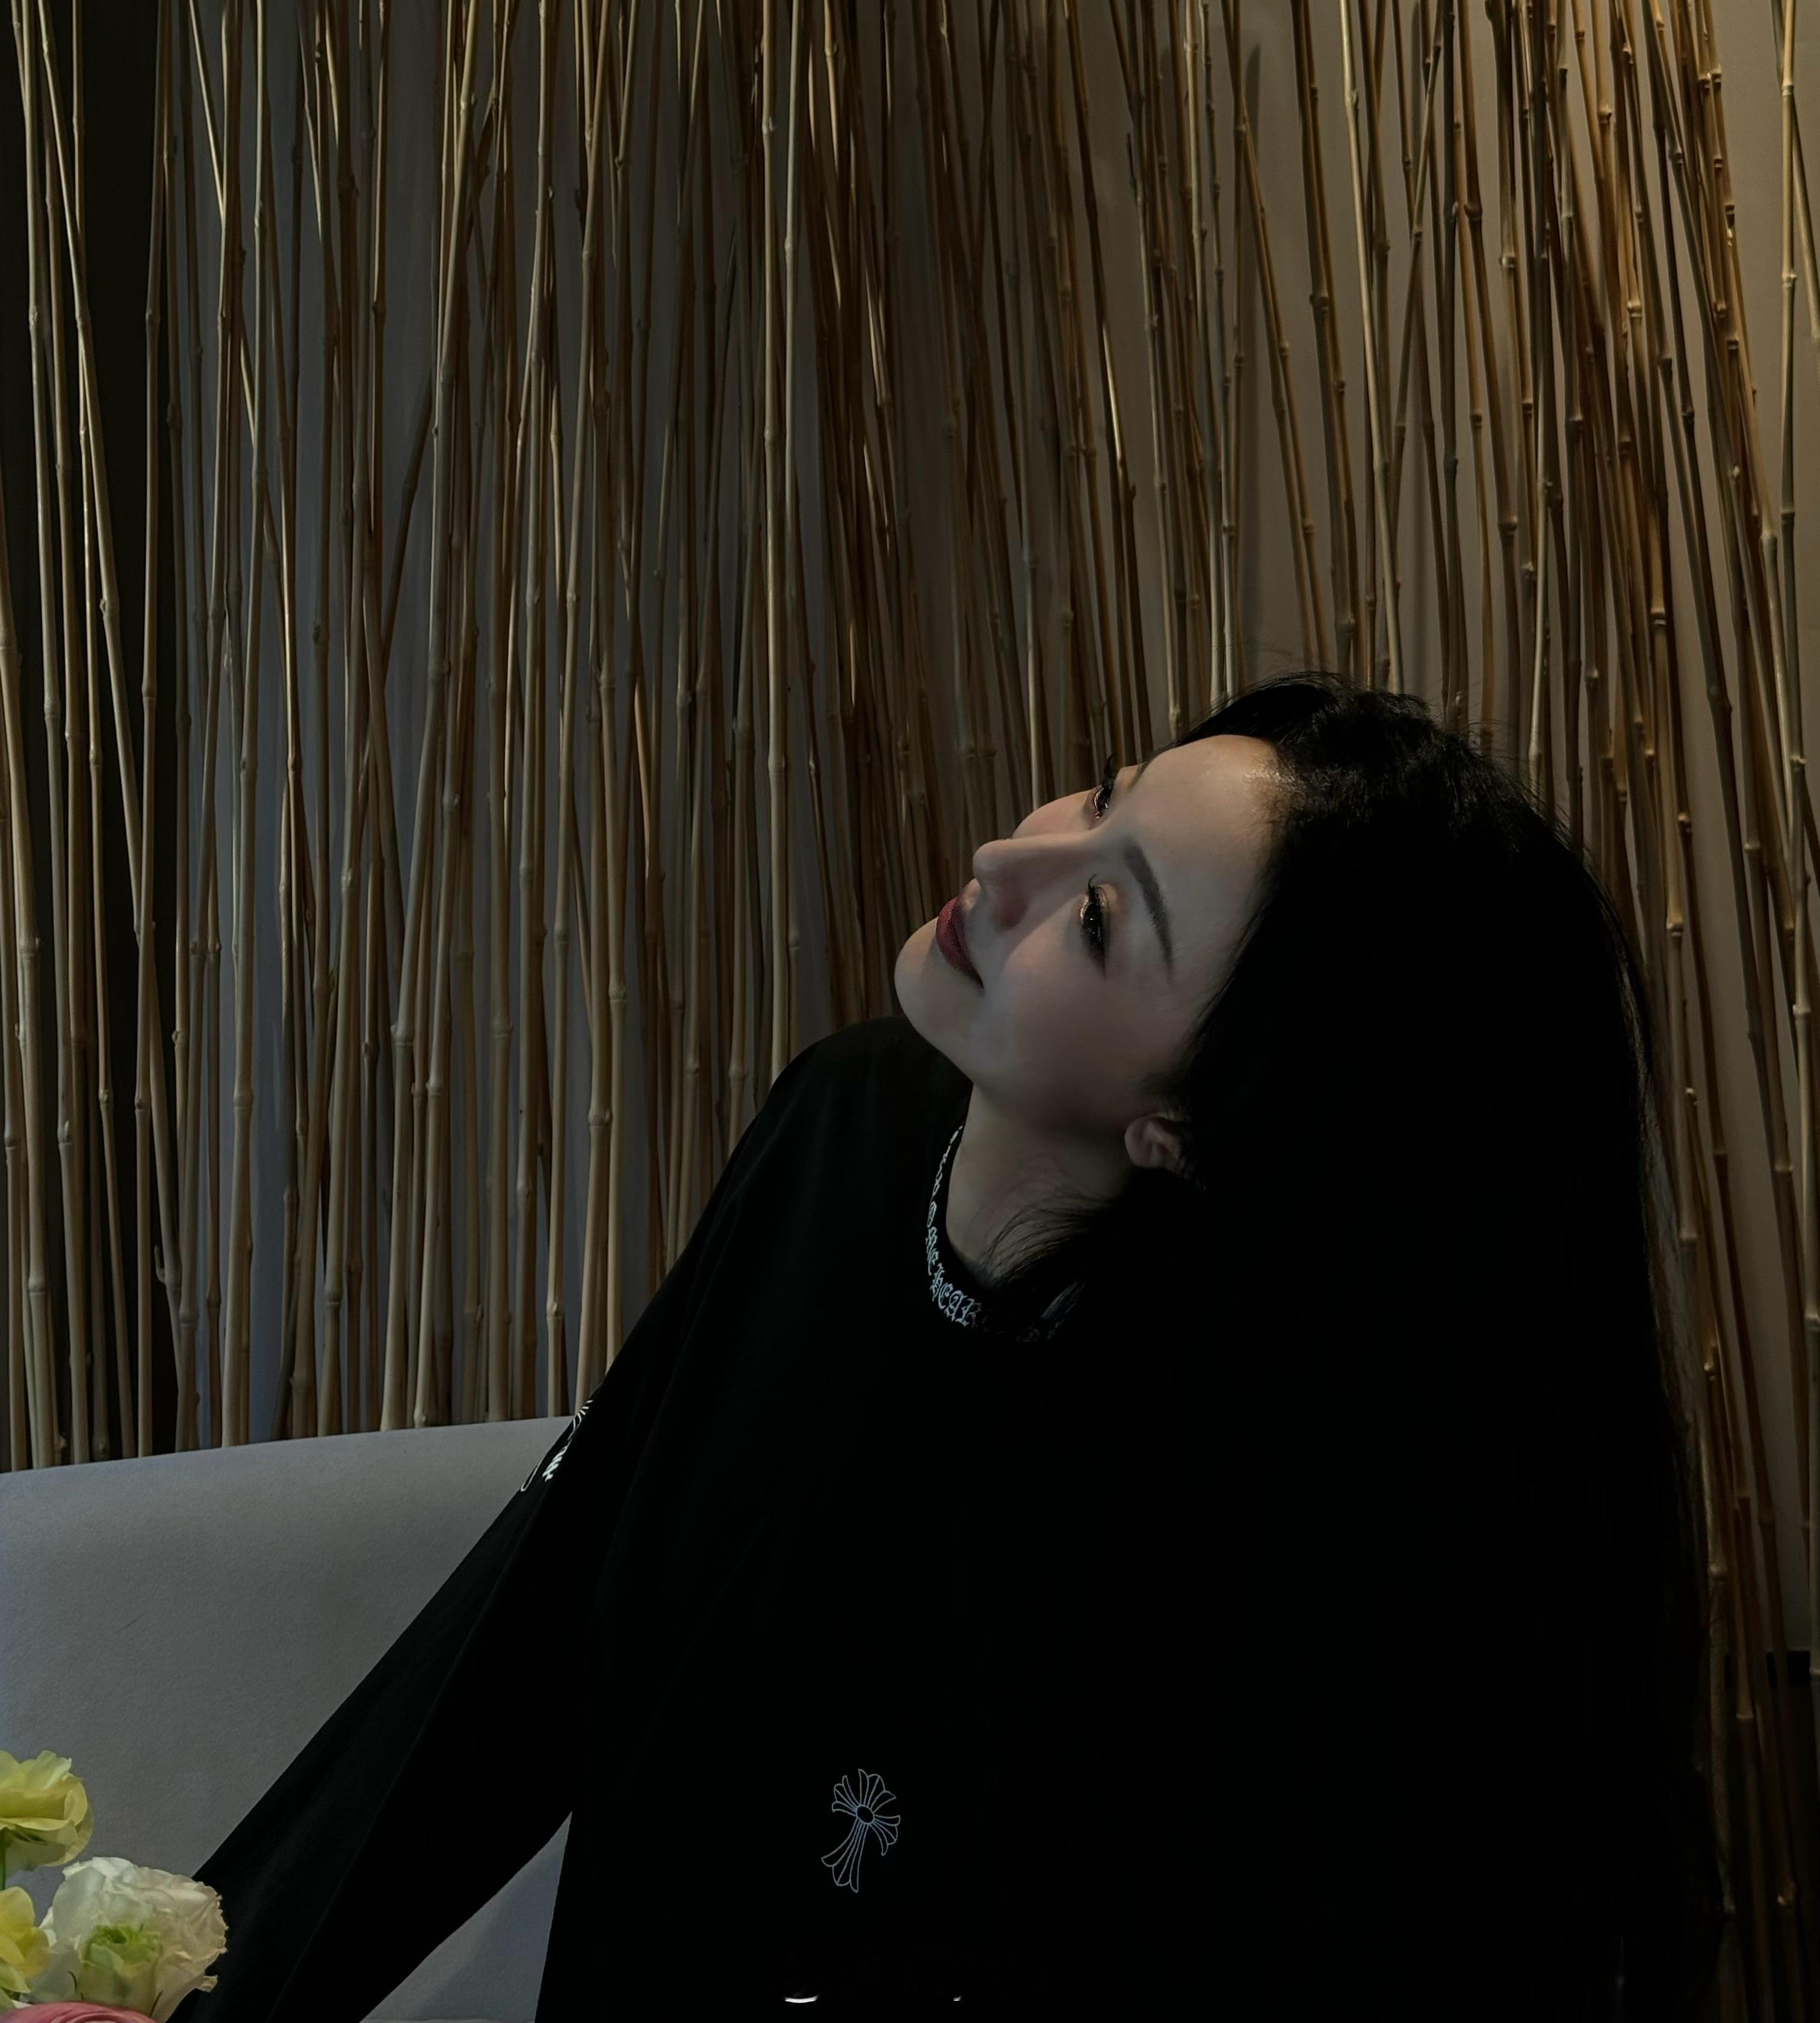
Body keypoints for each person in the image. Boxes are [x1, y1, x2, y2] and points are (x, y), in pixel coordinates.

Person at [170, 669, 1726, 2021]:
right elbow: (538, 1637)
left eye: (1100, 918)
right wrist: (176, 1990)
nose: (1007, 861)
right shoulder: (840, 1122)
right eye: (1099, 795)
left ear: (1189, 1124)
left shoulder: (1213, 1481)